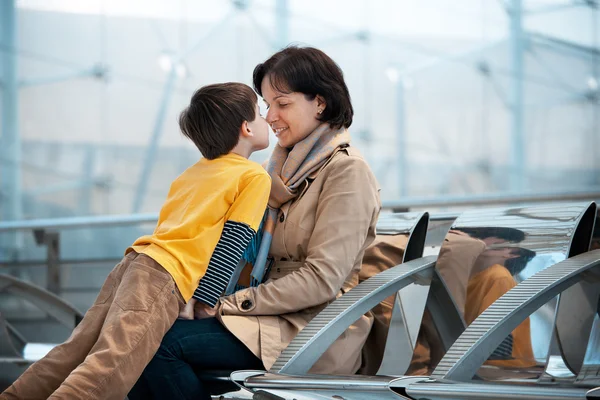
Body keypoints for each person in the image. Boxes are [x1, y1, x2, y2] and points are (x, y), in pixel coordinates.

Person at [129, 46, 381, 400]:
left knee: (154, 349)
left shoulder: (346, 172)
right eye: (266, 104)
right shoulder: (273, 174)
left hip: (312, 328)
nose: (271, 115)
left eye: (283, 103)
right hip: (265, 318)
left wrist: (227, 305)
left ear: (320, 103)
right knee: (137, 341)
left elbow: (322, 279)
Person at [1, 82, 271, 400]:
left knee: (75, 350)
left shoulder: (193, 173)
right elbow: (232, 241)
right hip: (162, 278)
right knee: (113, 364)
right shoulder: (253, 177)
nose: (267, 119)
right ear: (246, 128)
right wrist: (205, 301)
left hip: (135, 263)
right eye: (260, 112)